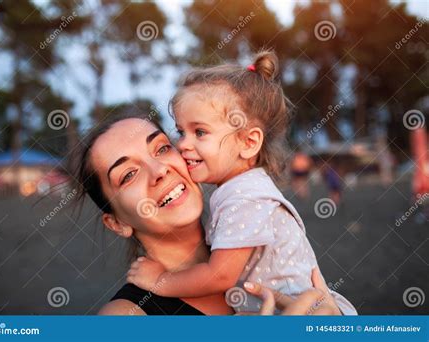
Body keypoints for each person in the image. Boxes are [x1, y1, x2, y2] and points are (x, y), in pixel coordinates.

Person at [126, 50, 357, 315]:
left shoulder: (245, 197)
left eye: (200, 132)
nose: (183, 144)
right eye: (181, 131)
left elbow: (219, 276)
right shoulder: (241, 189)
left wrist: (160, 282)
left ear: (248, 143)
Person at [73, 112, 343, 315]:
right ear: (117, 223)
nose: (159, 170)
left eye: (162, 148)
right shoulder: (125, 317)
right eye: (128, 174)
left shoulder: (267, 260)